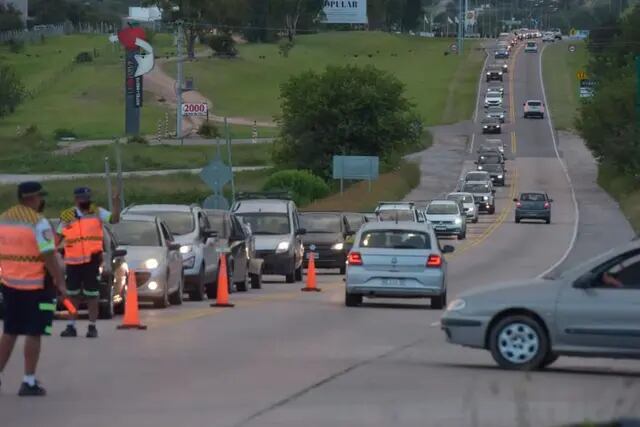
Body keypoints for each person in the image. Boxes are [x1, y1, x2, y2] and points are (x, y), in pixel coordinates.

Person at [0, 182, 66, 396]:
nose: (41, 201)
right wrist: (60, 281)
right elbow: (48, 255)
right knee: (33, 332)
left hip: (10, 284)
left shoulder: (4, 219)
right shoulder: (38, 223)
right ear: (33, 198)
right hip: (36, 286)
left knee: (9, 332)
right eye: (40, 197)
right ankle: (28, 381)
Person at [58, 187, 120, 339]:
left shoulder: (97, 212)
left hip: (92, 262)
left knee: (92, 295)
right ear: (76, 199)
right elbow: (58, 237)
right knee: (72, 296)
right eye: (82, 198)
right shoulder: (67, 215)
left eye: (87, 198)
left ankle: (92, 326)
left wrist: (116, 203)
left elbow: (114, 219)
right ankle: (71, 326)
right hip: (73, 262)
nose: (85, 201)